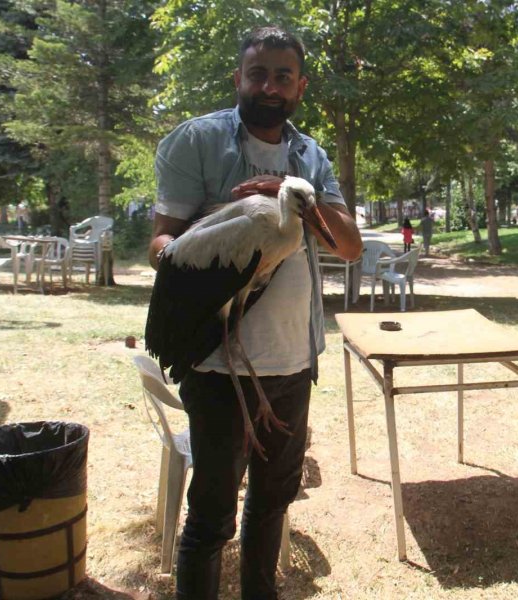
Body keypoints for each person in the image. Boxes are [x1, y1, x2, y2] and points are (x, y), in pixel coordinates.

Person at [149, 26, 362, 600]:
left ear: (300, 86)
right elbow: (162, 243)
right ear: (238, 78)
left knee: (272, 504)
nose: (270, 86)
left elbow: (348, 246)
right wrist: (208, 249)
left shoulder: (309, 156)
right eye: (258, 74)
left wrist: (288, 191)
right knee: (213, 515)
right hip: (217, 367)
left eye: (282, 76)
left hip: (293, 359)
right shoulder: (197, 140)